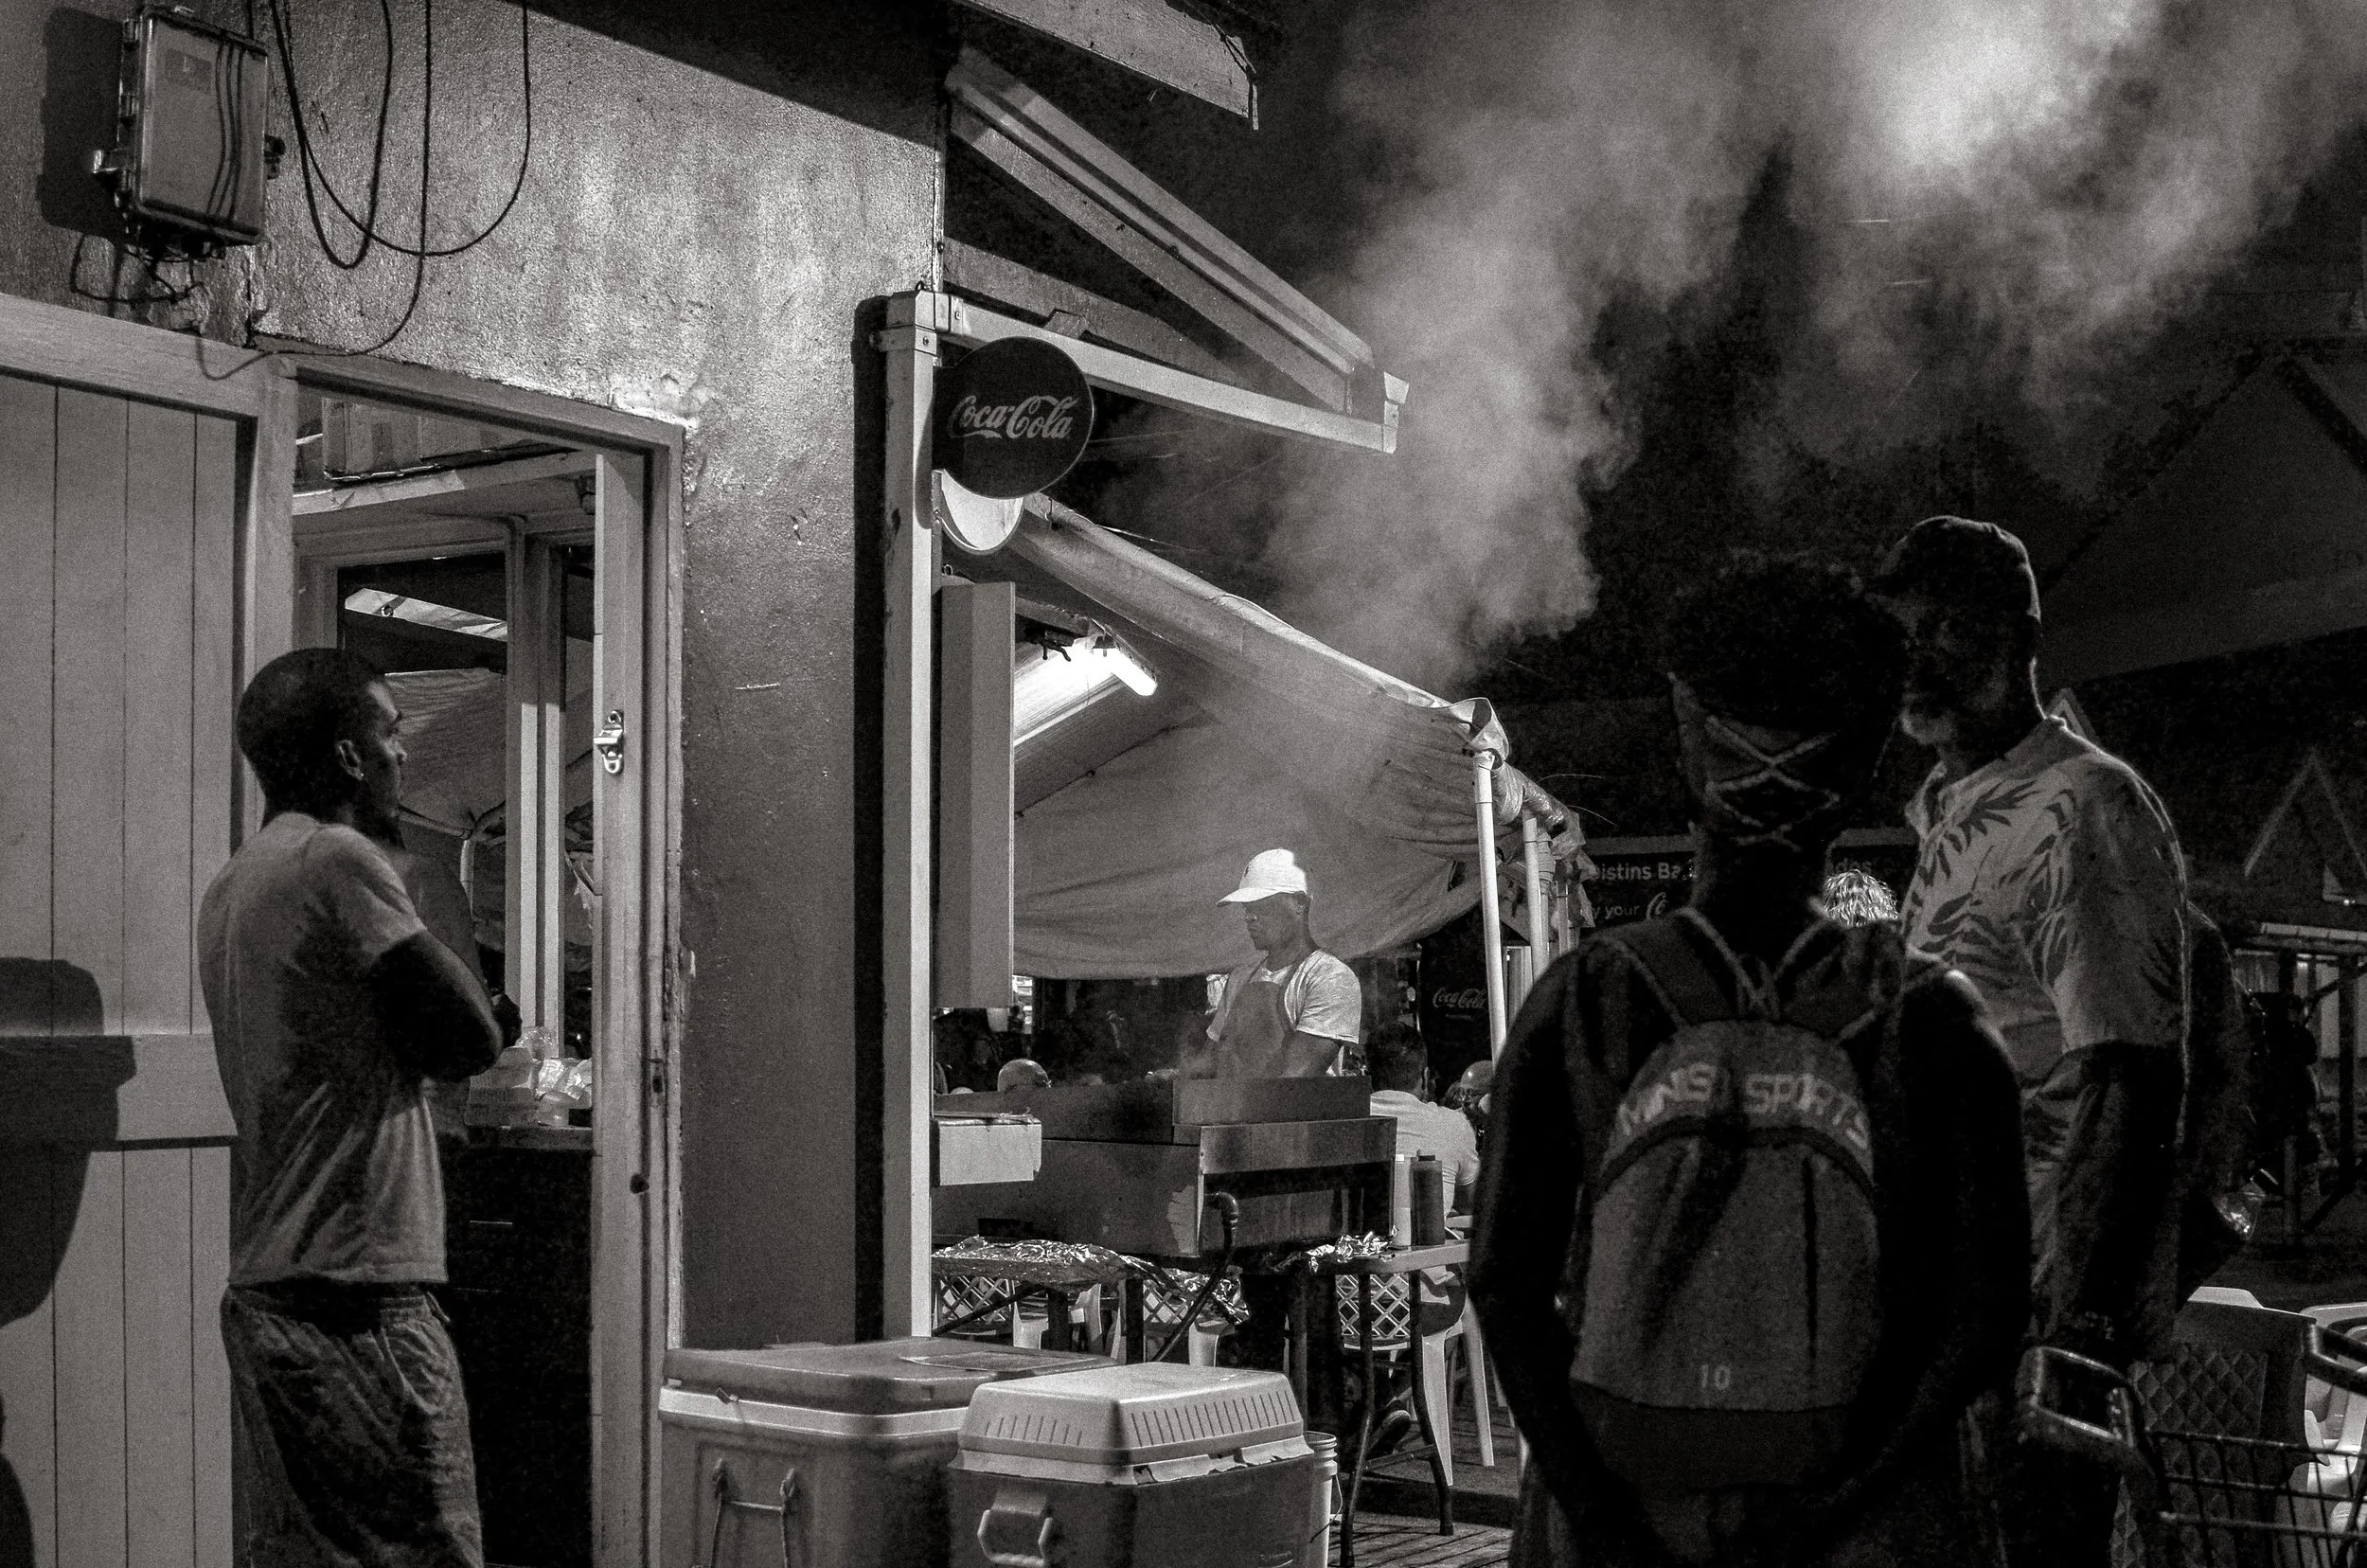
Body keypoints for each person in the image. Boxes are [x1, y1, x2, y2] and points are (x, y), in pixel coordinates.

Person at [1472, 554, 2030, 1568]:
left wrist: (1602, 1518)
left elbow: (1504, 1289)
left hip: (1623, 1504)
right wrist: (1827, 1511)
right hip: (1866, 1526)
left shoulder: (1586, 1002)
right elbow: (1984, 1318)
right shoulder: (1937, 1025)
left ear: (1691, 737)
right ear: (1866, 764)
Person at [1874, 516, 2190, 1568]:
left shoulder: (2081, 803)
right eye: (1903, 632)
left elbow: (2130, 1075)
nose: (1919, 657)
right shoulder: (1950, 811)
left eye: (1949, 630)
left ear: (2018, 637)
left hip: (2031, 1326)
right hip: (1952, 1314)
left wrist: (2075, 1333)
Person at [199, 649, 507, 1566]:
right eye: (390, 732)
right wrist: (402, 863)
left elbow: (338, 1036)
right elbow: (471, 1041)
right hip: (357, 1294)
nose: (402, 758)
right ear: (346, 756)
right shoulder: (337, 858)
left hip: (272, 1289)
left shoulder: (237, 880)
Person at [1200, 849, 1362, 1078]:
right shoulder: (1239, 979)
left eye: (1260, 905)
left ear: (1299, 903)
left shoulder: (1330, 978)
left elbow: (1292, 1080)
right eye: (1247, 908)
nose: (1249, 917)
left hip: (1294, 1113)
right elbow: (1210, 1062)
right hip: (1236, 1110)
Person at [1367, 1028, 1479, 1337]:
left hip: (1343, 1303)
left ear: (1368, 1070)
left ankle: (1388, 1384)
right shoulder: (1452, 1125)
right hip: (1420, 1301)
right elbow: (1476, 1202)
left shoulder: (1342, 1122)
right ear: (1425, 1075)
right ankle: (1434, 1383)